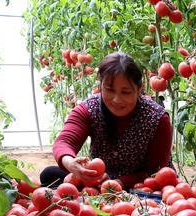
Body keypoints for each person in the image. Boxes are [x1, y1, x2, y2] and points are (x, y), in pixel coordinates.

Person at [41, 52, 173, 190]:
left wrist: (118, 183)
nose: (117, 99)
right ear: (101, 87)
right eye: (109, 90)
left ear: (139, 90)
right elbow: (64, 141)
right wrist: (70, 163)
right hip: (102, 180)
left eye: (125, 92)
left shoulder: (156, 118)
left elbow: (155, 172)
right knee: (49, 174)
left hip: (143, 184)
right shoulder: (89, 109)